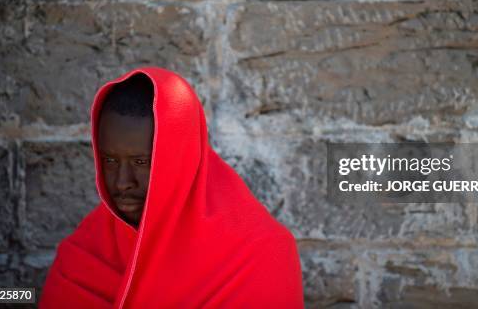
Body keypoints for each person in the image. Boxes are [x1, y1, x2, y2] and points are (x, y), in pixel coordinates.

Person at [39, 66, 304, 308]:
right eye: (109, 160)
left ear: (179, 158)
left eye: (141, 162)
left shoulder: (260, 255)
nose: (122, 182)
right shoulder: (85, 252)